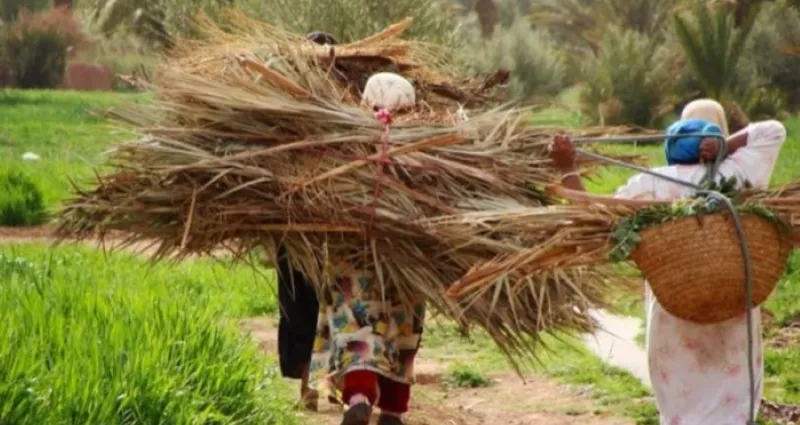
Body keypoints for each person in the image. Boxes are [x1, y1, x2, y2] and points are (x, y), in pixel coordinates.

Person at [548, 98, 787, 425]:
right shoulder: (739, 173)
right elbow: (773, 130)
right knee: (732, 400)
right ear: (712, 141)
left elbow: (591, 215)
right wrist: (724, 148)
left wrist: (566, 167)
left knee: (683, 404)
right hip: (735, 304)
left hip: (674, 312)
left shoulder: (650, 182)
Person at [308, 73, 423, 425]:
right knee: (400, 333)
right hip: (407, 264)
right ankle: (392, 409)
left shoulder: (345, 143)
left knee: (356, 330)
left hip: (353, 262)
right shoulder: (428, 151)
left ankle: (358, 396)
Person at [275, 30, 342, 412]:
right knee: (304, 304)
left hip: (328, 222)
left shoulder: (344, 105)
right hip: (297, 222)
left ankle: (326, 385)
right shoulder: (283, 103)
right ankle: (309, 387)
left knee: (331, 305)